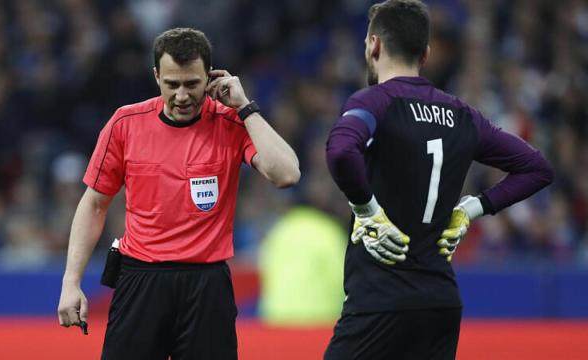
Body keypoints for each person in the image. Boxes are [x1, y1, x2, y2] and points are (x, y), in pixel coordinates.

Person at [324, 1, 553, 359]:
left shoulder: (374, 102)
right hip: (440, 304)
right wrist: (471, 210)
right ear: (426, 54)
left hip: (379, 301)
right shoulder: (462, 115)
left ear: (373, 45)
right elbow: (537, 168)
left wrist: (367, 210)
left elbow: (340, 151)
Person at [57, 27, 300, 360]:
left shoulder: (231, 123)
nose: (182, 96)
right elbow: (95, 204)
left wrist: (244, 106)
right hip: (141, 280)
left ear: (210, 77)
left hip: (207, 285)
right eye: (172, 84)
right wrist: (71, 282)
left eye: (192, 84)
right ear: (156, 76)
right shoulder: (125, 124)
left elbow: (286, 174)